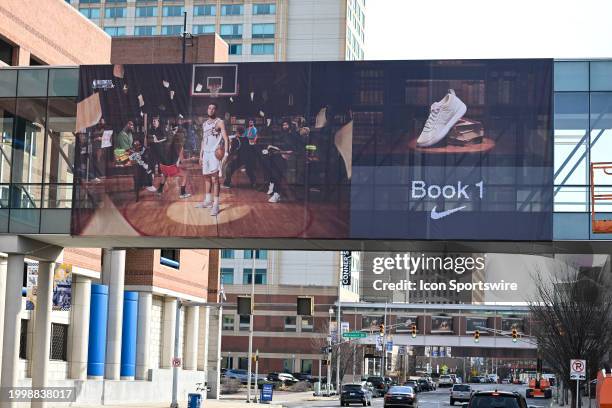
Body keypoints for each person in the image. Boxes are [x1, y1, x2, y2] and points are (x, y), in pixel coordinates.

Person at [196, 103, 229, 215]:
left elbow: (226, 138)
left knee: (215, 179)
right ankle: (207, 201)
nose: (211, 110)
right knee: (206, 178)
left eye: (213, 108)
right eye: (209, 108)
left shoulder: (219, 122)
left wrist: (226, 154)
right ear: (207, 110)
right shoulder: (205, 124)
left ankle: (216, 204)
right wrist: (200, 155)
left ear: (216, 110)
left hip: (215, 154)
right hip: (205, 154)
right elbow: (203, 140)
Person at [260, 120, 303, 203]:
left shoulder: (294, 135)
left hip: (291, 157)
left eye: (286, 125)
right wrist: (274, 148)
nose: (284, 126)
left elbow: (295, 148)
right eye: (283, 125)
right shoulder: (283, 135)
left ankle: (276, 192)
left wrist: (286, 152)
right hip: (281, 154)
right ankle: (271, 183)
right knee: (267, 161)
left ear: (290, 125)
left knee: (276, 168)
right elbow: (280, 145)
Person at [156, 131, 191, 199]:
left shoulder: (168, 145)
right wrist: (191, 159)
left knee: (165, 175)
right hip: (171, 169)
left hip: (163, 167)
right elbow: (182, 161)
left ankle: (159, 190)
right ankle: (183, 193)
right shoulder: (180, 147)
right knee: (185, 174)